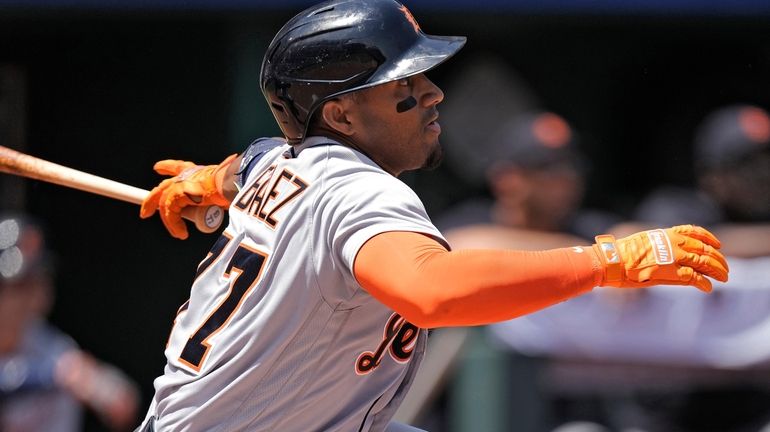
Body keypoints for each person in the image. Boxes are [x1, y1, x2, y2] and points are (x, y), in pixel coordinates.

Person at [135, 1, 728, 430]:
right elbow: (433, 292)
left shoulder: (276, 161)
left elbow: (247, 161)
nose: (433, 94)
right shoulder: (361, 191)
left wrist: (207, 181)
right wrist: (605, 262)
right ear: (340, 118)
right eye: (404, 85)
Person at [485, 104, 770, 432]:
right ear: (508, 178)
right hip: (489, 401)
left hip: (721, 390)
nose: (567, 178)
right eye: (548, 168)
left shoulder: (587, 226)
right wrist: (601, 261)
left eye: (571, 166)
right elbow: (467, 241)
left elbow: (629, 235)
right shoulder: (677, 208)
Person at [0, 214, 140, 432]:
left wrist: (95, 383)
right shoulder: (52, 366)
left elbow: (124, 403)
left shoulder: (46, 345)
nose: (36, 294)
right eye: (22, 286)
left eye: (39, 279)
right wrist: (50, 374)